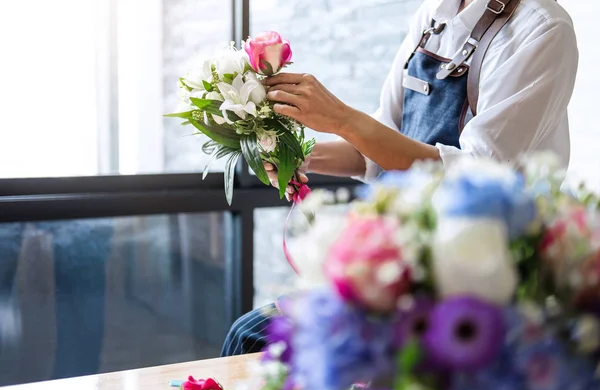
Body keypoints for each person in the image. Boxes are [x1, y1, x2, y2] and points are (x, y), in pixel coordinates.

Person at [220, 0, 578, 357]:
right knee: (250, 334)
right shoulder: (433, 16)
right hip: (405, 262)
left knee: (257, 338)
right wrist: (297, 158)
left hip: (478, 282)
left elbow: (474, 177)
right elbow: (375, 148)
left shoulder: (541, 28)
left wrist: (341, 117)